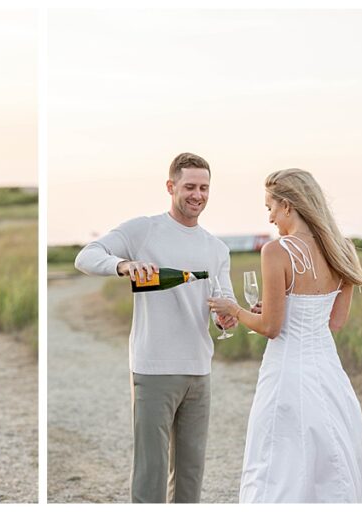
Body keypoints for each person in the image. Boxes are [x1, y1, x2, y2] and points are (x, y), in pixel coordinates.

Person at [74, 152, 238, 503]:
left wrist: (227, 317)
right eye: (190, 186)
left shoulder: (217, 248)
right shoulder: (144, 229)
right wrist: (123, 265)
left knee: (191, 475)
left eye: (204, 188)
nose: (198, 195)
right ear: (171, 186)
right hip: (155, 369)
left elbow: (224, 304)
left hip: (199, 370)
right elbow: (86, 256)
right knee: (150, 474)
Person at [208, 168, 362, 503]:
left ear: (288, 205)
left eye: (270, 206)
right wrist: (276, 307)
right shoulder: (341, 249)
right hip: (327, 370)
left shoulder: (276, 251)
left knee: (279, 458)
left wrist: (235, 309)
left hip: (286, 371)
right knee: (331, 454)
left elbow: (271, 328)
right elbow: (335, 322)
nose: (269, 217)